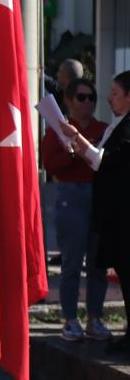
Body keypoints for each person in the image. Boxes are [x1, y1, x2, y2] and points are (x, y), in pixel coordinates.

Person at [60, 69, 130, 354]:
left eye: (115, 93)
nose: (109, 98)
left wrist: (78, 138)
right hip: (113, 214)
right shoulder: (118, 124)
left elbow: (106, 163)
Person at [41, 78, 110, 342]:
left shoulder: (102, 128)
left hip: (98, 197)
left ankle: (95, 318)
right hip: (71, 195)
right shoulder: (58, 130)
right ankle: (70, 320)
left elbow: (103, 163)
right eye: (81, 97)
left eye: (91, 97)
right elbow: (51, 163)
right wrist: (75, 152)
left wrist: (83, 149)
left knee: (98, 264)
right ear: (69, 101)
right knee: (71, 263)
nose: (87, 102)